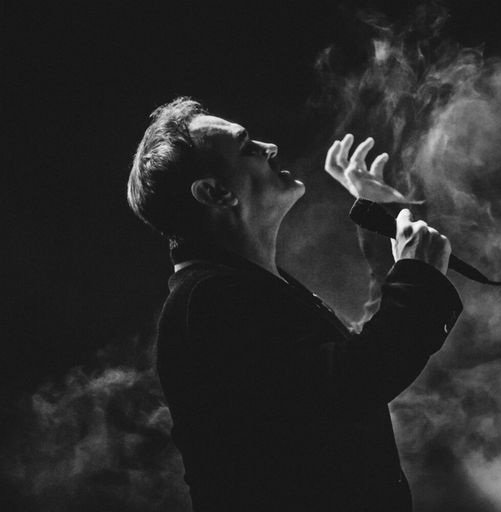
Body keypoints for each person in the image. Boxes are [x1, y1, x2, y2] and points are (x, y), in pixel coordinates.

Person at [127, 97, 462, 511]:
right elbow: (350, 384)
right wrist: (417, 279)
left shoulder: (238, 287)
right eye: (246, 145)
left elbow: (346, 361)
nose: (270, 148)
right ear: (215, 193)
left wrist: (385, 225)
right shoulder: (208, 303)